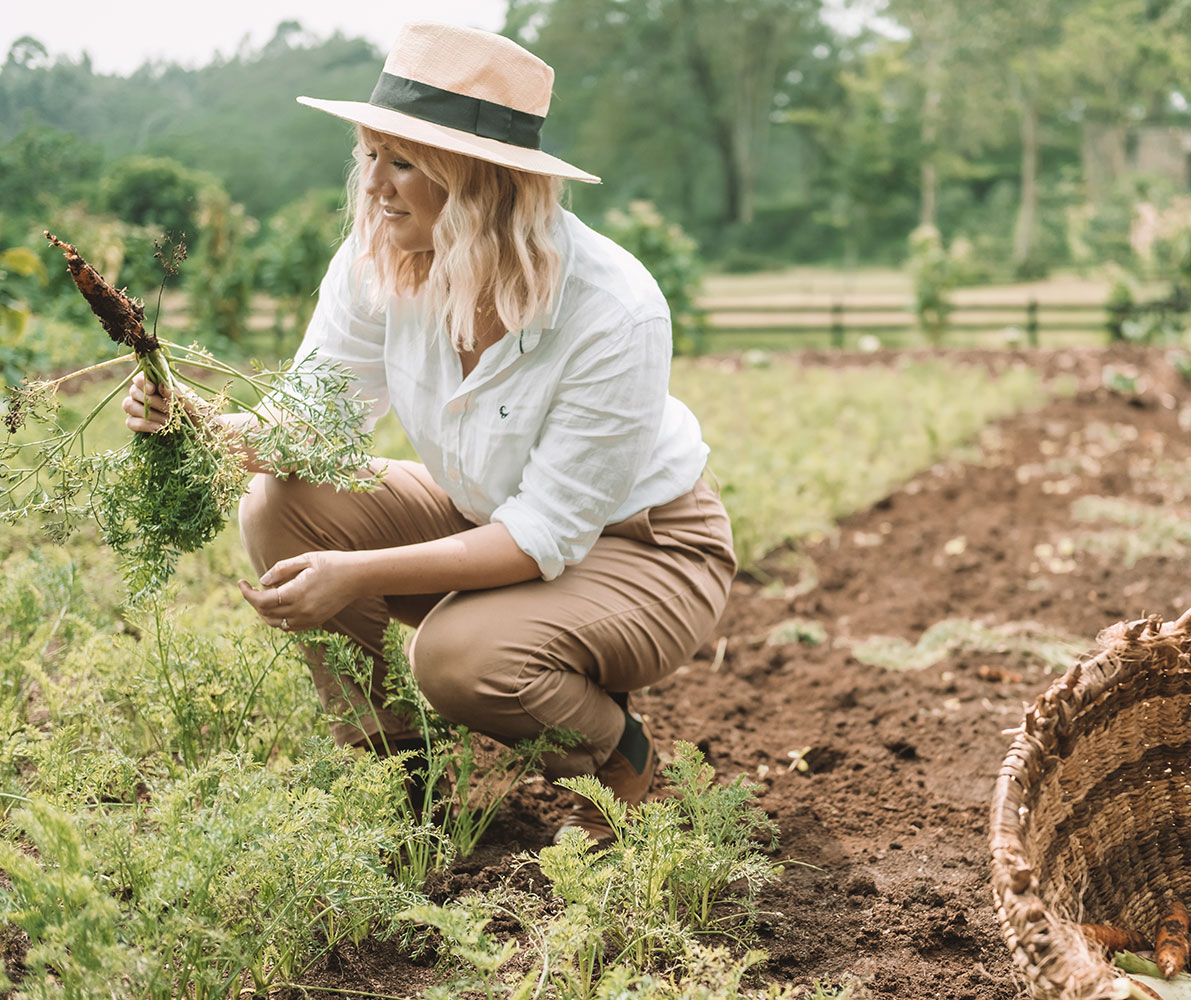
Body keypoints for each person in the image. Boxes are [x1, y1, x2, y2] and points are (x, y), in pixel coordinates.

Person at [121, 21, 736, 845]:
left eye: (403, 161)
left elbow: (543, 534)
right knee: (279, 505)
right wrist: (196, 422)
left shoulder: (613, 309)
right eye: (370, 154)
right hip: (491, 521)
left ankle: (619, 756)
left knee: (454, 657)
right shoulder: (379, 263)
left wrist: (357, 575)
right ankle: (403, 782)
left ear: (483, 180)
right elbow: (310, 423)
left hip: (646, 549)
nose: (374, 184)